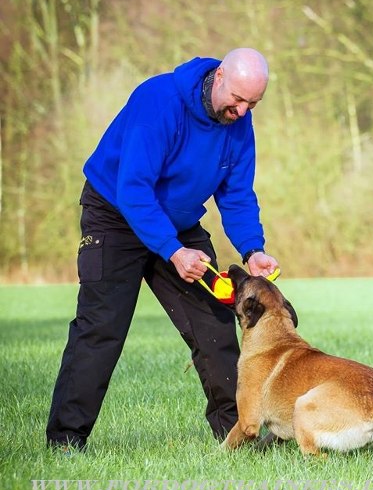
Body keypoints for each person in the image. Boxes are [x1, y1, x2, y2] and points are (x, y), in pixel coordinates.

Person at [46, 48, 278, 452]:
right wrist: (172, 251)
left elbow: (237, 193)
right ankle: (66, 440)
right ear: (219, 76)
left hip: (179, 223)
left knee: (215, 324)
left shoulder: (240, 125)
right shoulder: (158, 103)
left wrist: (251, 250)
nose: (242, 111)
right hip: (115, 215)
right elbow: (133, 189)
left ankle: (237, 435)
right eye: (238, 99)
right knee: (101, 328)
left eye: (252, 104)